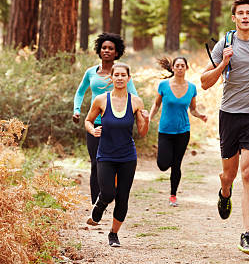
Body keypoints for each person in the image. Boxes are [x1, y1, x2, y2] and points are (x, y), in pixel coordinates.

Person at [200, 0, 249, 257]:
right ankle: (225, 192)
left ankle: (247, 235)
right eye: (240, 13)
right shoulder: (226, 42)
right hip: (229, 115)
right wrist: (223, 62)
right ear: (234, 18)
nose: (245, 17)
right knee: (229, 175)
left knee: (248, 173)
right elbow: (204, 82)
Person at [85, 63, 149, 247]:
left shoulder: (136, 101)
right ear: (110, 78)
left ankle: (113, 234)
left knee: (123, 196)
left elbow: (142, 132)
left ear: (129, 79)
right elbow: (88, 121)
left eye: (124, 75)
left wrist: (146, 120)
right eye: (117, 75)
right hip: (105, 154)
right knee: (107, 192)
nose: (120, 78)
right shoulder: (101, 100)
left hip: (127, 156)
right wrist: (92, 130)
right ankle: (99, 206)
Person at [73, 33, 138, 206]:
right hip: (96, 125)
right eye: (104, 48)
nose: (107, 51)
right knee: (96, 163)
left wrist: (139, 115)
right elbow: (80, 92)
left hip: (117, 126)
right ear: (99, 50)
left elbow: (134, 96)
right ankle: (97, 202)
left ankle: (110, 192)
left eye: (111, 48)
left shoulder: (120, 73)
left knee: (114, 163)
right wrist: (77, 110)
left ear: (117, 52)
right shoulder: (90, 73)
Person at [149, 56, 207, 207]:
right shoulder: (163, 85)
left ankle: (173, 195)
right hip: (165, 131)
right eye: (177, 65)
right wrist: (148, 118)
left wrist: (200, 115)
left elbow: (192, 109)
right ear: (173, 68)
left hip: (183, 131)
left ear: (186, 68)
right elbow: (156, 105)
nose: (180, 68)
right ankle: (170, 176)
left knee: (177, 164)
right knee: (163, 164)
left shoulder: (192, 88)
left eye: (183, 65)